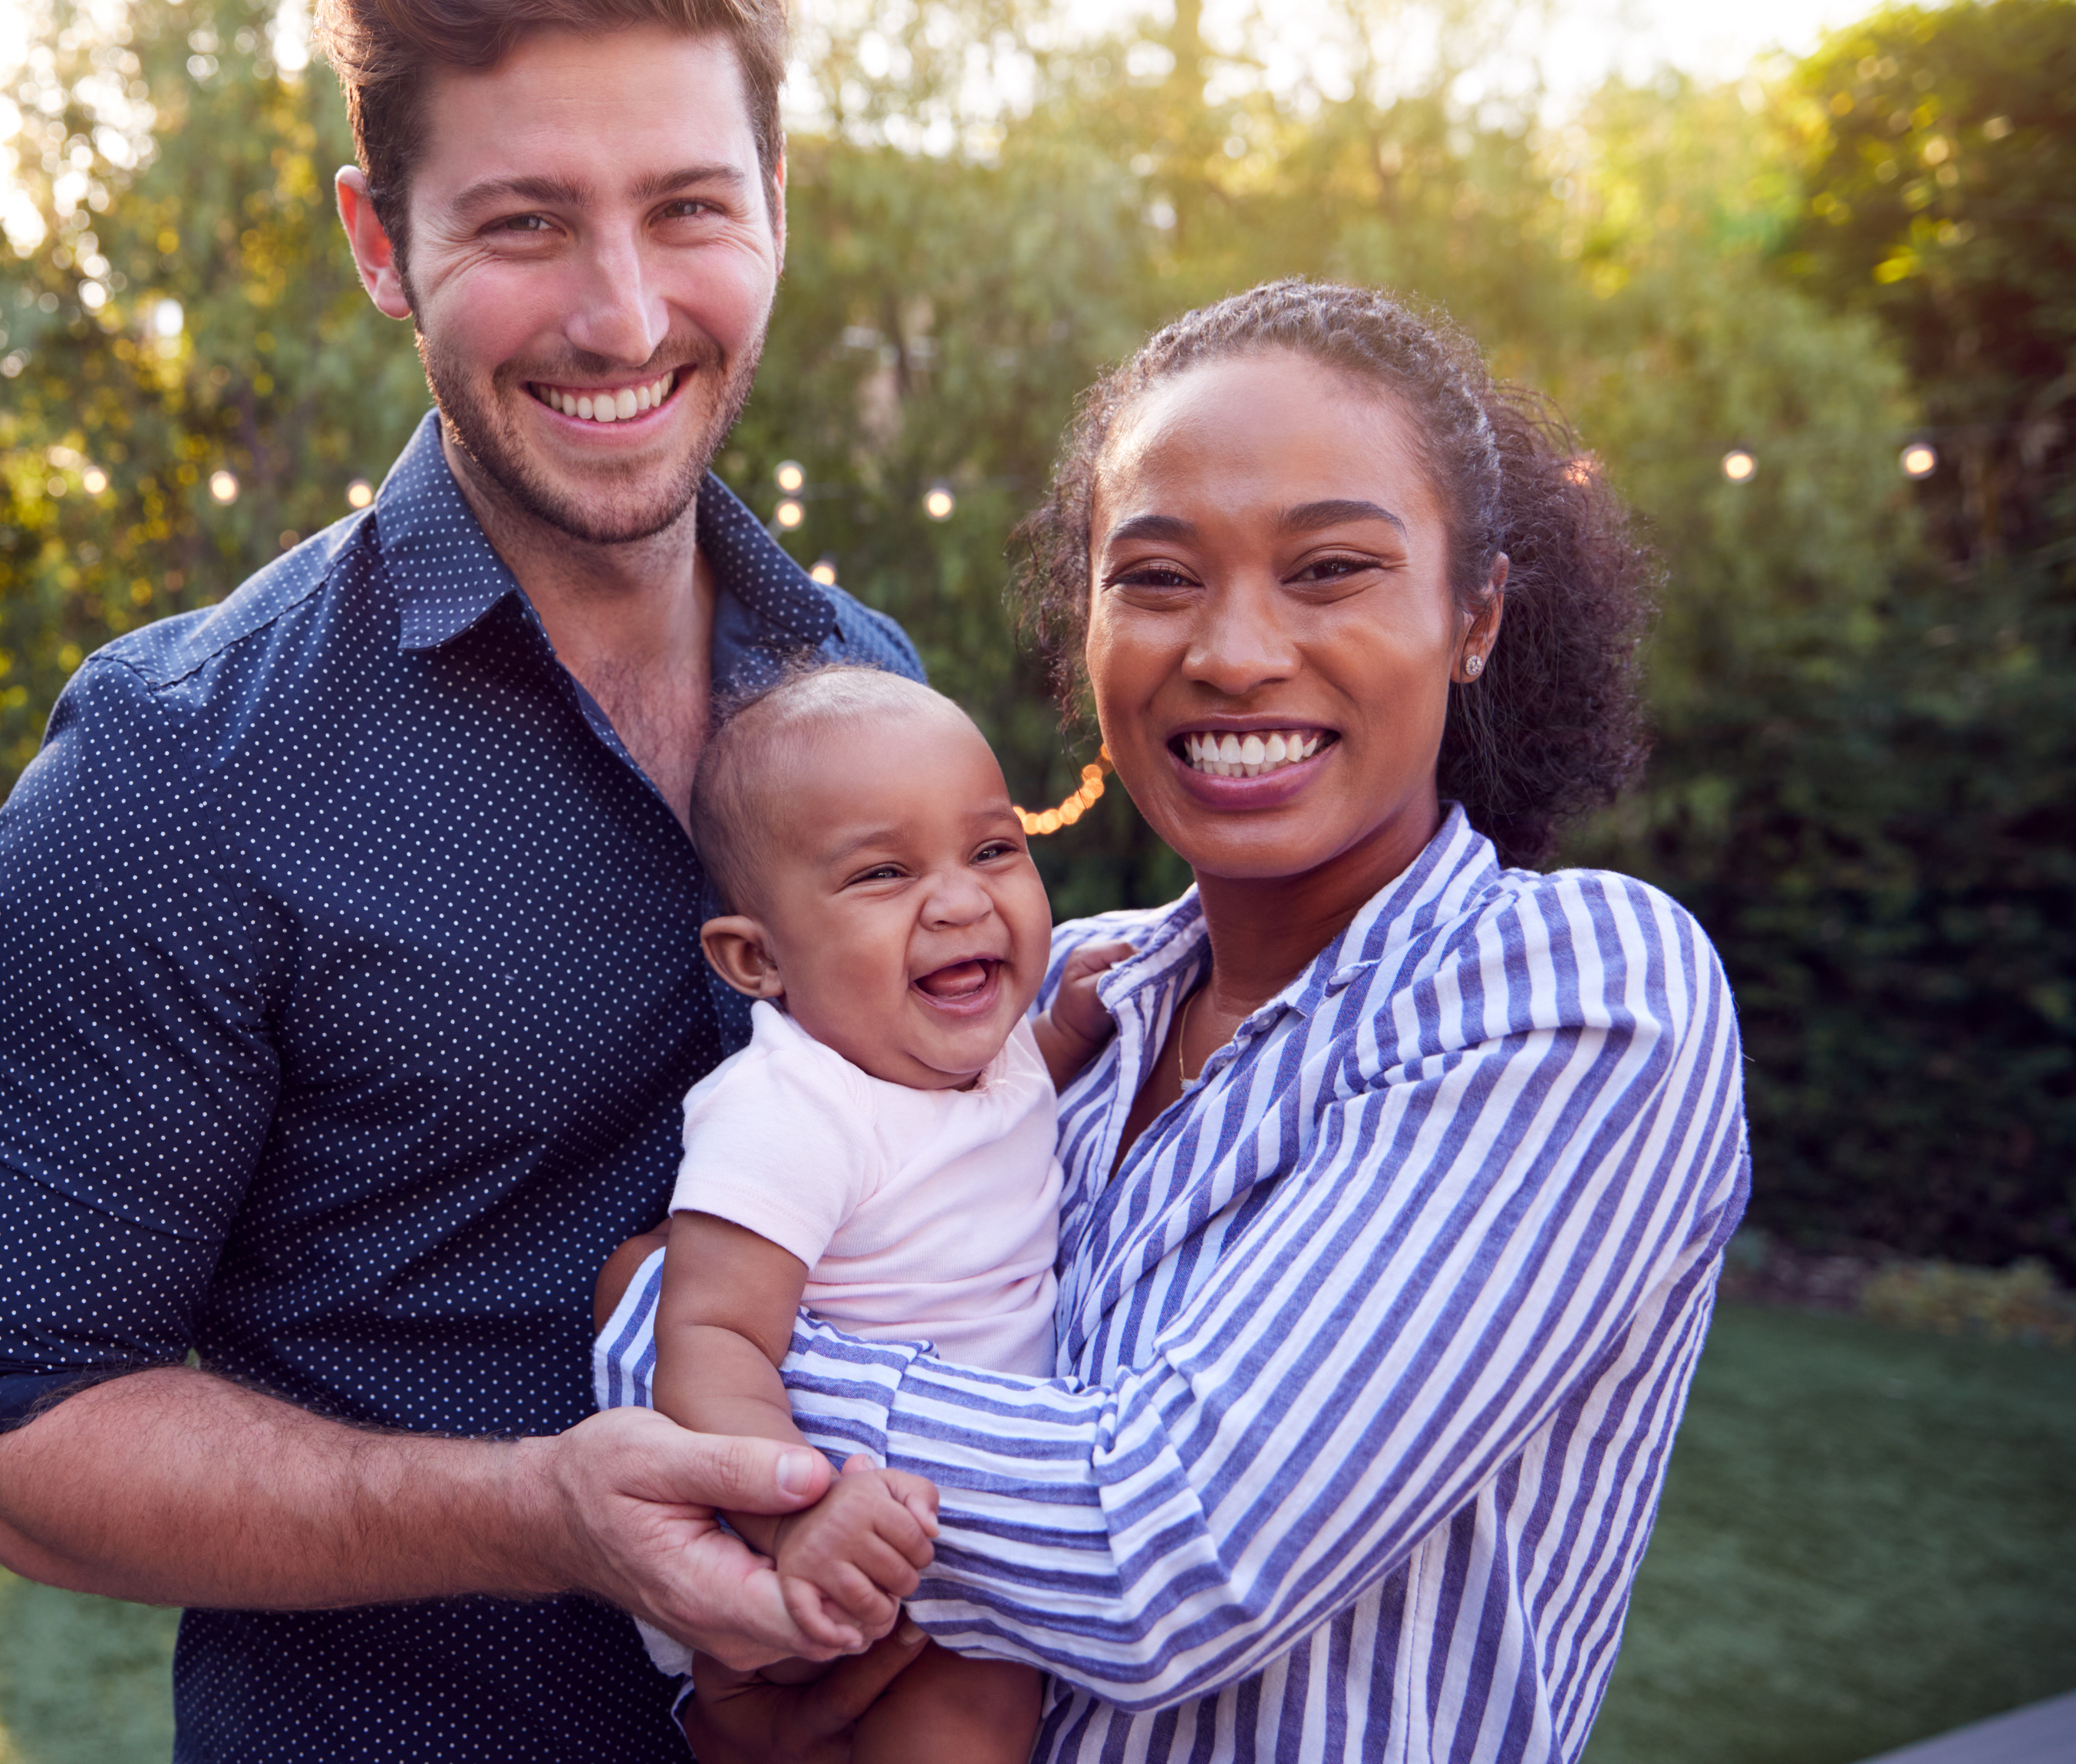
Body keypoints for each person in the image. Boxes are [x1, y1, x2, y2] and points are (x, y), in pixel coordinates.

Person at [0, 0, 930, 1762]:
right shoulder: (169, 773)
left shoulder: (864, 684)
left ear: (781, 204)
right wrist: (537, 1511)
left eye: (690, 209)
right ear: (381, 243)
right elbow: (32, 1437)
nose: (625, 317)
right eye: (527, 222)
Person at [598, 279, 1751, 1762]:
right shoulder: (1044, 1007)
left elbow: (1164, 1559)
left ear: (1476, 618)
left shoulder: (1575, 989)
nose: (1232, 653)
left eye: (1331, 568)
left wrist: (661, 1325)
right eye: (1155, 578)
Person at [643, 666, 1132, 1762]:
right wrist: (794, 1515)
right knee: (971, 1723)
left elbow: (994, 1119)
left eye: (994, 849)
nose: (963, 900)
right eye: (884, 872)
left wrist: (1072, 1031)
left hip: (963, 1531)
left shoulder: (992, 1057)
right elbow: (710, 1337)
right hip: (851, 1548)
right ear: (756, 959)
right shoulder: (790, 1113)